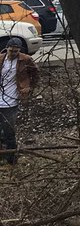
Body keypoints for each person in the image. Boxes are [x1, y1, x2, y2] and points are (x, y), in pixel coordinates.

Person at [0, 37, 39, 168]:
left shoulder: (25, 60)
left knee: (9, 131)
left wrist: (28, 87)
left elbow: (36, 73)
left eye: (16, 51)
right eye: (11, 51)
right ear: (7, 49)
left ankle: (12, 159)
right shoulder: (1, 59)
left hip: (11, 102)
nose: (13, 53)